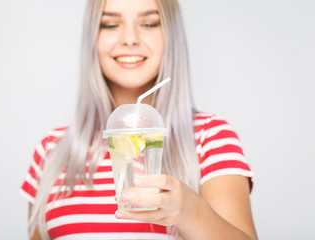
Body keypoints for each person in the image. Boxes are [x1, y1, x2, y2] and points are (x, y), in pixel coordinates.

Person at [20, 0, 258, 239]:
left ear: (171, 36)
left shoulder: (210, 137)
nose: (130, 38)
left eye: (149, 23)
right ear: (92, 38)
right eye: (110, 25)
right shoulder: (52, 149)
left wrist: (189, 211)